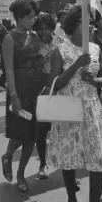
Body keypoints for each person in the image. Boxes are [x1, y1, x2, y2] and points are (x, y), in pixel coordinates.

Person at [47, 5, 102, 202]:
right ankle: (72, 196)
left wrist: (91, 80)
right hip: (68, 109)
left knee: (98, 158)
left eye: (91, 22)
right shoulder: (60, 50)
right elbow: (54, 84)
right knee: (69, 157)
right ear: (73, 24)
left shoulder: (95, 48)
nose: (90, 26)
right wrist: (77, 65)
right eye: (84, 22)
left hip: (92, 109)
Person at [0, 0, 41, 192]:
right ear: (19, 18)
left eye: (34, 17)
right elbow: (8, 70)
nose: (33, 20)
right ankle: (7, 156)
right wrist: (14, 96)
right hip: (19, 91)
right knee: (19, 133)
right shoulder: (9, 38)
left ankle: (21, 173)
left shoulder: (35, 37)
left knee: (32, 135)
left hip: (35, 92)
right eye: (29, 17)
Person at [33, 13, 64, 180]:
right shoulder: (33, 44)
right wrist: (45, 58)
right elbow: (30, 65)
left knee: (60, 128)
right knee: (41, 129)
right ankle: (43, 164)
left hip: (59, 88)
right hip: (40, 89)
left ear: (53, 28)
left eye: (47, 28)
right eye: (40, 28)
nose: (44, 32)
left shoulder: (61, 42)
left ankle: (65, 166)